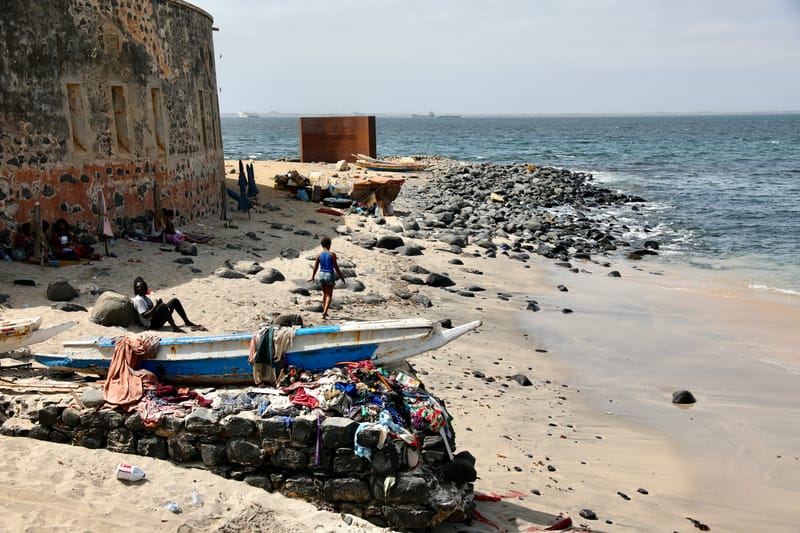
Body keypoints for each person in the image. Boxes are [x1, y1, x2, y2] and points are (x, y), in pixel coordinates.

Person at [131, 276, 205, 333]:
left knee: (174, 301)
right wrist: (157, 306)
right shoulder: (138, 300)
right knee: (162, 306)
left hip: (155, 319)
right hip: (151, 325)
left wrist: (159, 307)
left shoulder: (145, 297)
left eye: (141, 287)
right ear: (135, 289)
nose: (140, 289)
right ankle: (174, 327)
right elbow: (145, 315)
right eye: (138, 287)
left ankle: (187, 322)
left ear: (145, 287)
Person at [308, 236, 346, 319]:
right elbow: (336, 267)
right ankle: (325, 312)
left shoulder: (319, 255)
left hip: (321, 274)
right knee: (329, 295)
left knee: (324, 294)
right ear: (329, 245)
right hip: (329, 274)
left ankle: (324, 311)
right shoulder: (332, 254)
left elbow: (315, 267)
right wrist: (341, 277)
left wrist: (313, 276)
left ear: (322, 245)